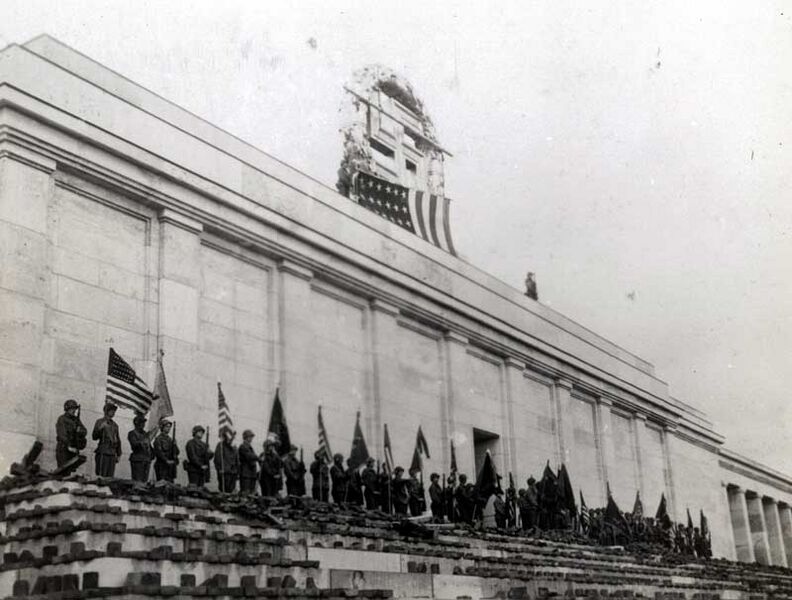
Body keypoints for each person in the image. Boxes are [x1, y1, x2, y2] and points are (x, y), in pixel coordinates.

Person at [92, 403, 121, 478]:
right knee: (101, 475)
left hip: (112, 453)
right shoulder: (100, 422)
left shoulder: (115, 425)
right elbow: (94, 437)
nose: (113, 412)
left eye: (114, 411)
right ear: (106, 411)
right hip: (103, 452)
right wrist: (100, 428)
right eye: (111, 411)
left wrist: (118, 454)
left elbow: (117, 440)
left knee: (110, 477)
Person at [55, 399, 87, 468]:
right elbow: (62, 435)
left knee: (69, 470)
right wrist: (69, 446)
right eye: (72, 408)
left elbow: (84, 431)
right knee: (62, 469)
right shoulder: (62, 419)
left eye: (75, 408)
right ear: (67, 409)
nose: (74, 410)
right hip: (63, 449)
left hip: (73, 449)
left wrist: (79, 431)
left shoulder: (76, 420)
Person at [128, 413, 153, 482]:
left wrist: (152, 453)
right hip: (138, 460)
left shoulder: (145, 434)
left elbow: (149, 446)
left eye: (144, 423)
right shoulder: (132, 433)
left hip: (146, 459)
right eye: (141, 423)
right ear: (137, 423)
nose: (143, 425)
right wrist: (142, 442)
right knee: (137, 481)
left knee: (144, 481)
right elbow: (134, 444)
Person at [238, 430, 258, 495]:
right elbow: (249, 456)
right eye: (250, 437)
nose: (251, 438)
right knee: (245, 492)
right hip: (246, 474)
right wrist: (258, 458)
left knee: (251, 492)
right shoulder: (243, 446)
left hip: (251, 474)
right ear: (246, 437)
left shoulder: (249, 447)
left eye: (251, 437)